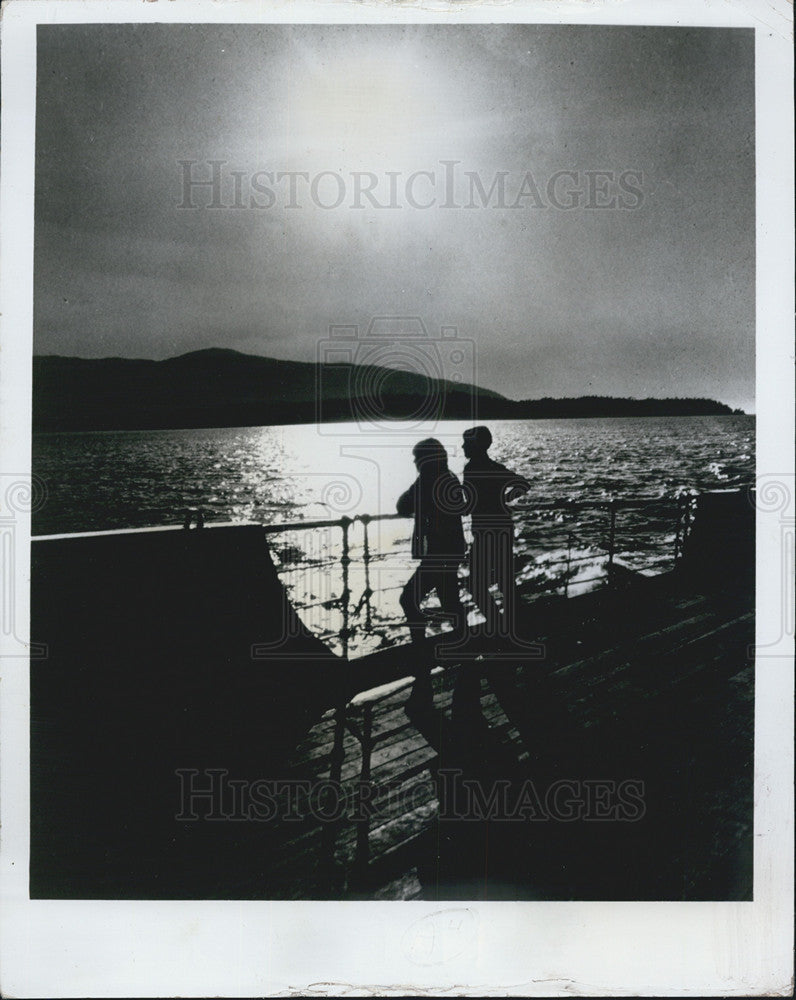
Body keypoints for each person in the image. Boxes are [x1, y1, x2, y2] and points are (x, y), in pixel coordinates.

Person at [397, 438, 466, 706]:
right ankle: (464, 651)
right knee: (450, 602)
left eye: (417, 459)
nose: (415, 464)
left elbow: (403, 506)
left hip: (438, 554)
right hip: (451, 551)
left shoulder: (428, 481)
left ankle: (422, 659)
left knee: (409, 599)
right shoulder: (448, 478)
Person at [462, 426, 530, 640]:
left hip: (485, 531)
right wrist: (506, 499)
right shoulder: (496, 467)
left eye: (466, 442)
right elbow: (523, 484)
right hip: (503, 528)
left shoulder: (472, 468)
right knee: (504, 580)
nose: (463, 446)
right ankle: (515, 625)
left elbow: (470, 504)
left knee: (474, 583)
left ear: (476, 445)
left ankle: (497, 625)